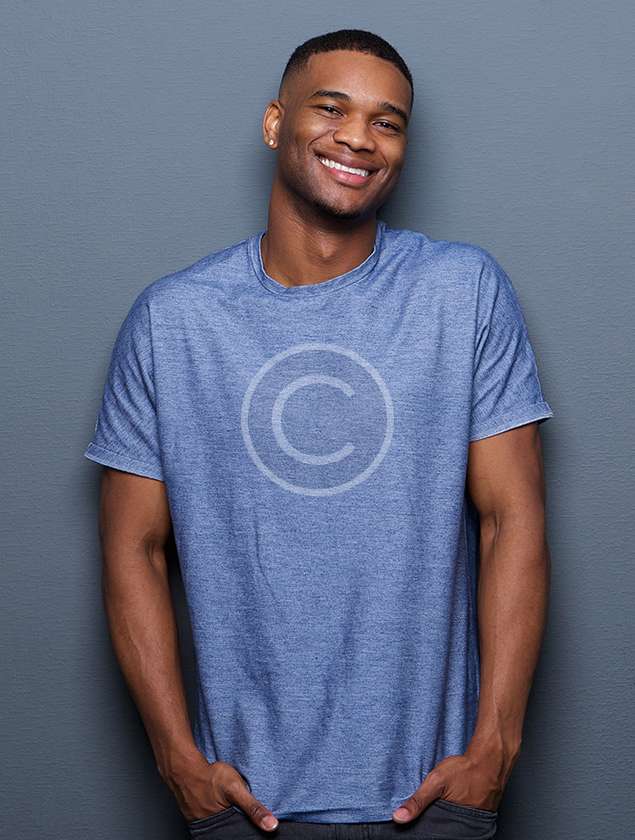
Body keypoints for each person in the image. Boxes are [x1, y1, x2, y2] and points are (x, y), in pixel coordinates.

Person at [83, 29, 554, 839]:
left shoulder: (462, 291)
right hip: (245, 806)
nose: (358, 138)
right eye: (331, 109)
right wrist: (176, 760)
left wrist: (495, 749)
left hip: (434, 799)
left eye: (386, 122)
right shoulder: (173, 320)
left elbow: (510, 520)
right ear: (276, 123)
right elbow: (133, 547)